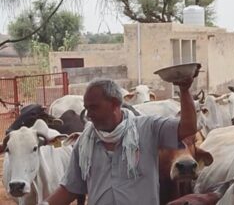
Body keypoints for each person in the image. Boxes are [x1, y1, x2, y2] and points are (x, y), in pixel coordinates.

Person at [42, 75, 198, 205]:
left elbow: (188, 128)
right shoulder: (84, 142)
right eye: (87, 108)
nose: (88, 114)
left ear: (115, 104)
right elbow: (70, 188)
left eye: (94, 107)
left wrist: (184, 91)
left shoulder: (148, 129)